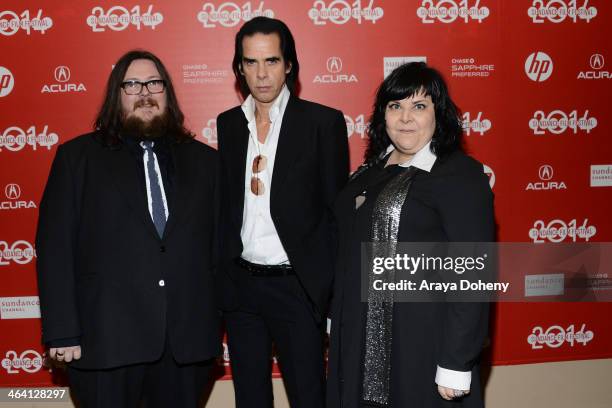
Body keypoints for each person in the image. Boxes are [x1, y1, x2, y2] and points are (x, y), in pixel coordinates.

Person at [36, 50, 220, 408]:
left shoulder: (206, 162)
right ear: (116, 94)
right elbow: (55, 250)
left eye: (154, 83)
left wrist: (214, 327)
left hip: (184, 346)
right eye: (132, 84)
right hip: (105, 342)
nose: (145, 92)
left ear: (167, 92)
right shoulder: (77, 159)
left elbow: (218, 250)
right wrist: (61, 331)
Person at [326, 62, 494, 407]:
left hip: (422, 342)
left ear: (439, 114)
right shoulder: (371, 169)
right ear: (382, 114)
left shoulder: (458, 175)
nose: (405, 118)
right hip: (360, 337)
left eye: (419, 106)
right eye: (395, 106)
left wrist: (455, 361)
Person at [216, 16, 349, 408]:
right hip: (241, 288)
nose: (261, 74)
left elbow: (334, 217)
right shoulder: (228, 125)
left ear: (289, 64)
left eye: (271, 61)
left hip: (297, 287)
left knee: (309, 396)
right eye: (251, 62)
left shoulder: (322, 124)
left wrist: (327, 297)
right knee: (250, 399)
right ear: (239, 67)